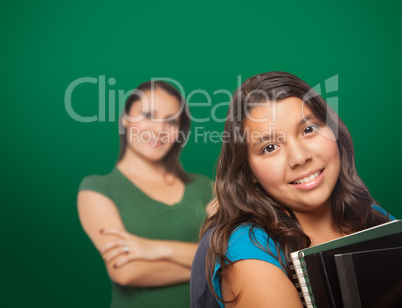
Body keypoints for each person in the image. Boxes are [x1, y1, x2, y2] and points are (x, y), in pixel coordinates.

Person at [192, 71, 396, 308]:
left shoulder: (370, 215)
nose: (299, 157)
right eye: (270, 147)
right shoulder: (247, 247)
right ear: (249, 173)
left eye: (309, 129)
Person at [78, 80, 213, 308]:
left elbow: (228, 250)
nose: (159, 130)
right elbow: (126, 271)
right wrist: (210, 267)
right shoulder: (99, 188)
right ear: (125, 119)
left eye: (170, 121)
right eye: (148, 115)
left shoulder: (204, 186)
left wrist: (154, 249)